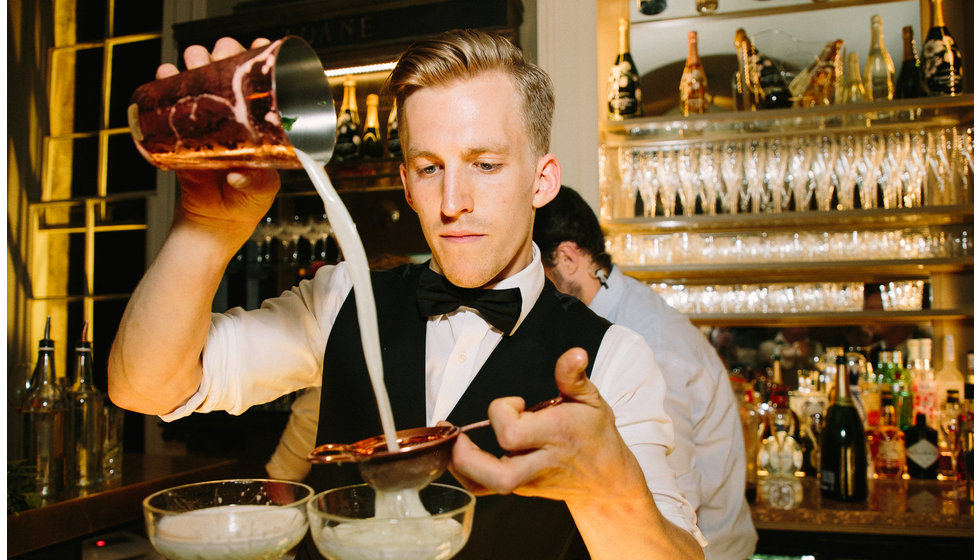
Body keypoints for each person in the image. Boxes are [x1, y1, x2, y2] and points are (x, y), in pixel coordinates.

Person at [108, 30, 705, 560]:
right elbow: (145, 385)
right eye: (429, 168)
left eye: (487, 165)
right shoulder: (342, 298)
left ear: (541, 180)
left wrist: (612, 487)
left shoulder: (614, 357)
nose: (452, 201)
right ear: (407, 185)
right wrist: (206, 230)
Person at [532, 186, 757, 560]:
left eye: (534, 271)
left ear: (568, 258)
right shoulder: (608, 314)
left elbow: (678, 505)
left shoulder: (647, 340)